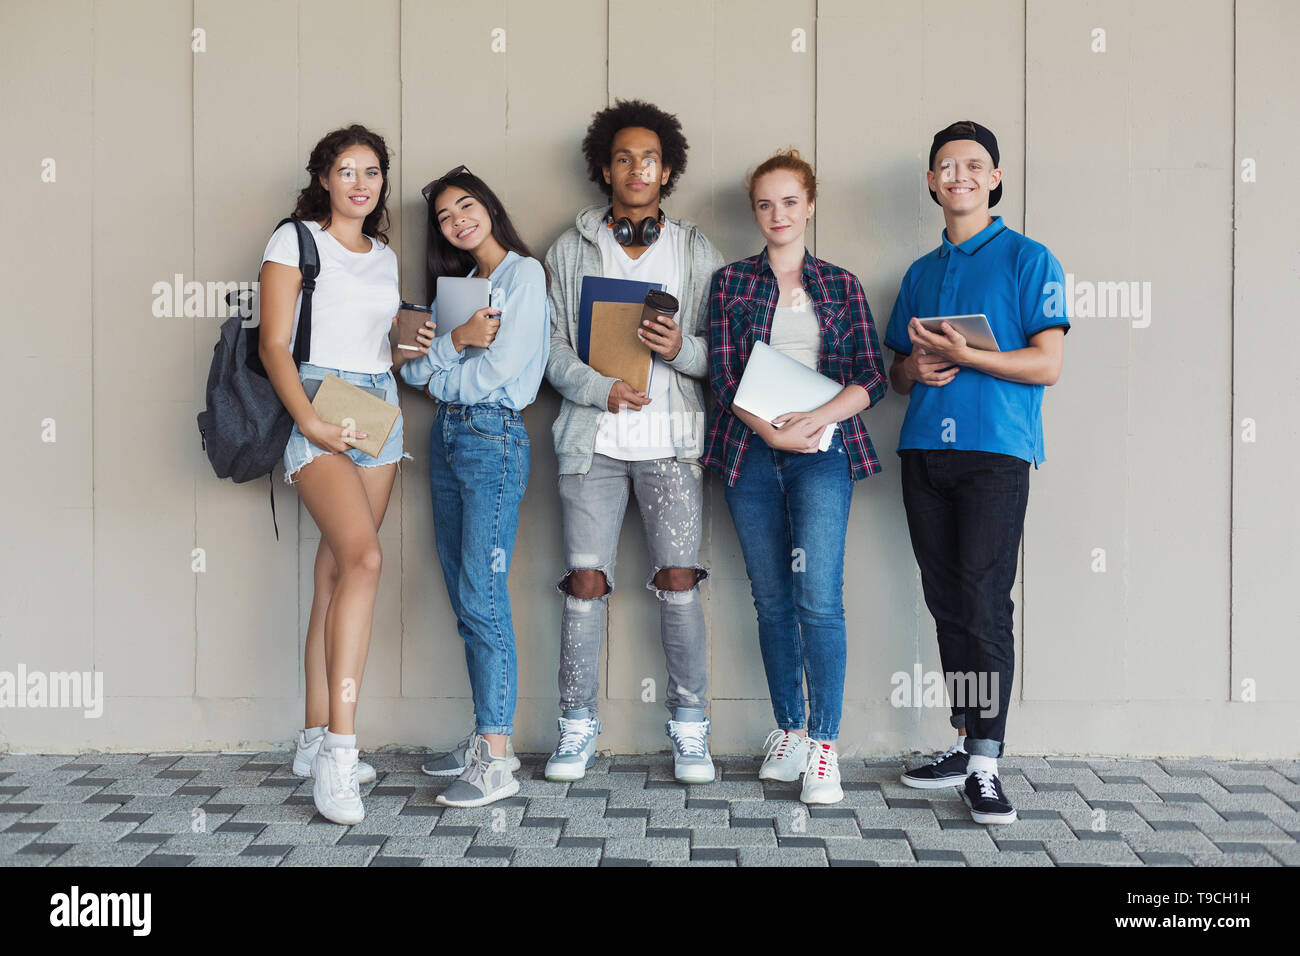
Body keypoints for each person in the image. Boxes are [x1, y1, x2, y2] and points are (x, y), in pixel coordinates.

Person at [887, 121, 1069, 824]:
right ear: (931, 182)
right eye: (945, 166)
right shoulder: (919, 273)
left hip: (997, 452)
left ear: (994, 178)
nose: (958, 174)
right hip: (923, 451)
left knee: (986, 601)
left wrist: (970, 356)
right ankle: (966, 743)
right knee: (947, 601)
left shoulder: (1030, 258)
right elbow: (899, 374)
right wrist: (915, 367)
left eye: (973, 165)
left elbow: (1048, 365)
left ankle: (987, 764)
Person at [542, 99, 724, 784]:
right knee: (586, 585)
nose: (636, 167)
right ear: (604, 168)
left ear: (667, 169)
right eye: (622, 157)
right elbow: (551, 352)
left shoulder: (697, 249)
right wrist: (600, 390)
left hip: (673, 445)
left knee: (679, 585)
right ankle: (576, 728)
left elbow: (720, 354)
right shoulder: (569, 249)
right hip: (593, 444)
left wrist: (683, 350)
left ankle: (690, 730)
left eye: (648, 157)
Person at [703, 148, 888, 805]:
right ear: (754, 212)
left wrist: (814, 419)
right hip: (749, 453)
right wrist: (771, 431)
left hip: (824, 453)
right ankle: (788, 730)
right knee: (772, 598)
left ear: (809, 205)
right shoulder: (730, 284)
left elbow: (872, 375)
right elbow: (722, 376)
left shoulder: (840, 284)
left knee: (817, 598)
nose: (777, 214)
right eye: (764, 204)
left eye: (789, 201)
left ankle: (825, 745)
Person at [261, 125, 410, 825]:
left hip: (379, 406)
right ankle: (341, 758)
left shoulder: (384, 256)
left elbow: (379, 343)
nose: (360, 182)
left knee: (336, 572)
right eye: (346, 170)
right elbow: (272, 345)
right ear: (324, 177)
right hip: (318, 402)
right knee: (367, 558)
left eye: (372, 171)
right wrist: (311, 424)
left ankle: (313, 737)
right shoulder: (293, 240)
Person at [395, 166, 550, 808]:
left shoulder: (525, 276)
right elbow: (411, 374)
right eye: (444, 216)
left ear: (489, 205)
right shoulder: (454, 290)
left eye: (466, 205)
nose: (457, 219)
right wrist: (457, 341)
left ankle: (497, 754)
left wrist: (443, 367)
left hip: (493, 438)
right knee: (464, 592)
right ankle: (482, 737)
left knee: (483, 593)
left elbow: (499, 374)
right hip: (448, 439)